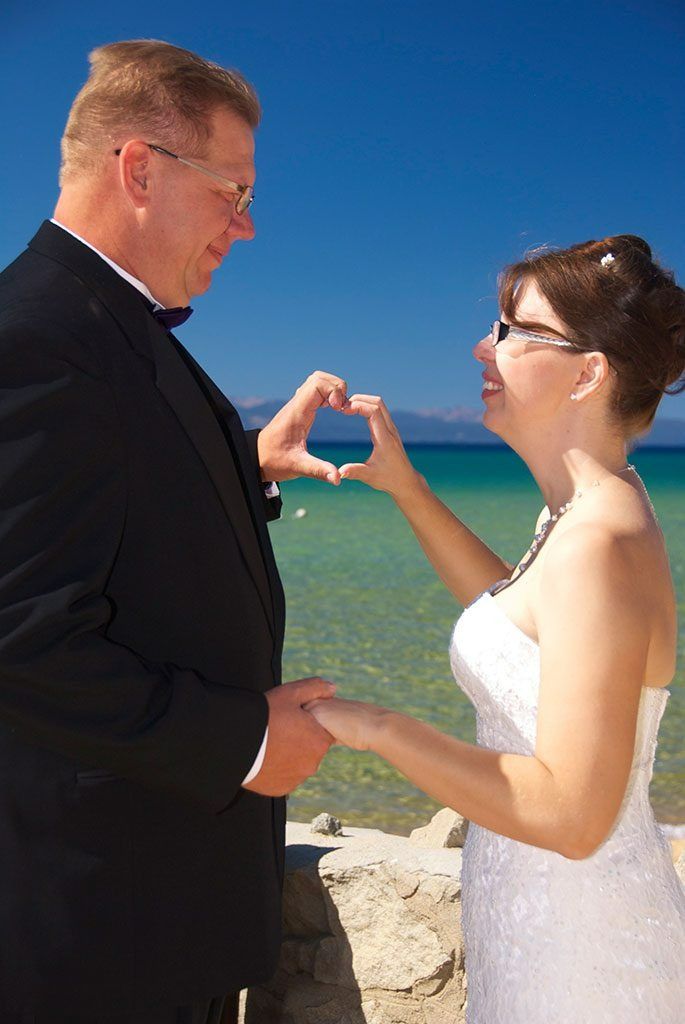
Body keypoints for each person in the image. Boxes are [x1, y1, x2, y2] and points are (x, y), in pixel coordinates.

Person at [0, 40, 347, 1024]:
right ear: (140, 169)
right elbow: (18, 632)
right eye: (231, 193)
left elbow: (107, 497)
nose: (246, 228)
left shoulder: (104, 326)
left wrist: (248, 465)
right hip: (89, 939)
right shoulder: (32, 339)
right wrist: (243, 742)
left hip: (143, 917)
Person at [307, 235, 685, 1021]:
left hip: (583, 962)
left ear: (587, 372)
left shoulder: (597, 544)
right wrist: (408, 490)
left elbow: (572, 817)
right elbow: (513, 615)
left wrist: (377, 727)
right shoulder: (589, 511)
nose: (485, 345)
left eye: (515, 331)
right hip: (545, 929)